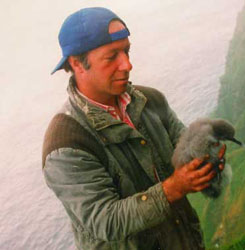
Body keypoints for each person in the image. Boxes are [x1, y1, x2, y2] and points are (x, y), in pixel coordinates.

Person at [42, 7, 226, 250]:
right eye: (112, 57)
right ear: (77, 64)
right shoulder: (65, 144)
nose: (127, 64)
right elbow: (105, 220)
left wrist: (205, 162)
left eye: (126, 51)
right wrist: (176, 187)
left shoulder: (151, 100)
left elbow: (184, 147)